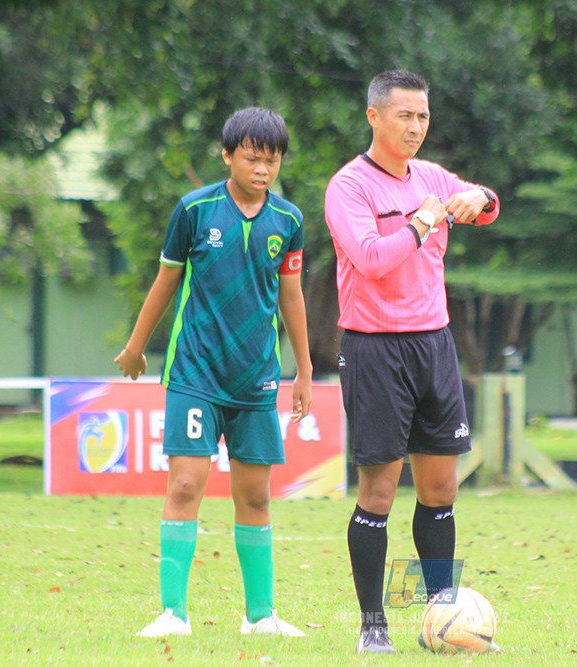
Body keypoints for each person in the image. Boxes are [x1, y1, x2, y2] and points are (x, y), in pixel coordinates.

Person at [114, 106, 313, 639]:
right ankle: (172, 614)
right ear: (227, 156)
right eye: (252, 158)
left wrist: (305, 370)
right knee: (185, 483)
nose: (263, 170)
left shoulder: (289, 221)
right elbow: (165, 282)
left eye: (271, 161)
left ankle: (261, 616)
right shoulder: (194, 211)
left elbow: (291, 296)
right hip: (195, 371)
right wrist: (136, 348)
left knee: (255, 496)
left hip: (256, 377)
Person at [324, 70, 500, 654]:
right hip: (375, 347)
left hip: (434, 344)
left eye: (423, 116)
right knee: (378, 491)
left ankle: (439, 617)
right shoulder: (349, 187)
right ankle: (373, 626)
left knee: (441, 489)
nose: (416, 127)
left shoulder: (430, 176)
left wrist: (480, 197)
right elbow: (372, 260)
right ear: (374, 116)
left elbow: (485, 205)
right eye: (405, 115)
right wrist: (423, 219)